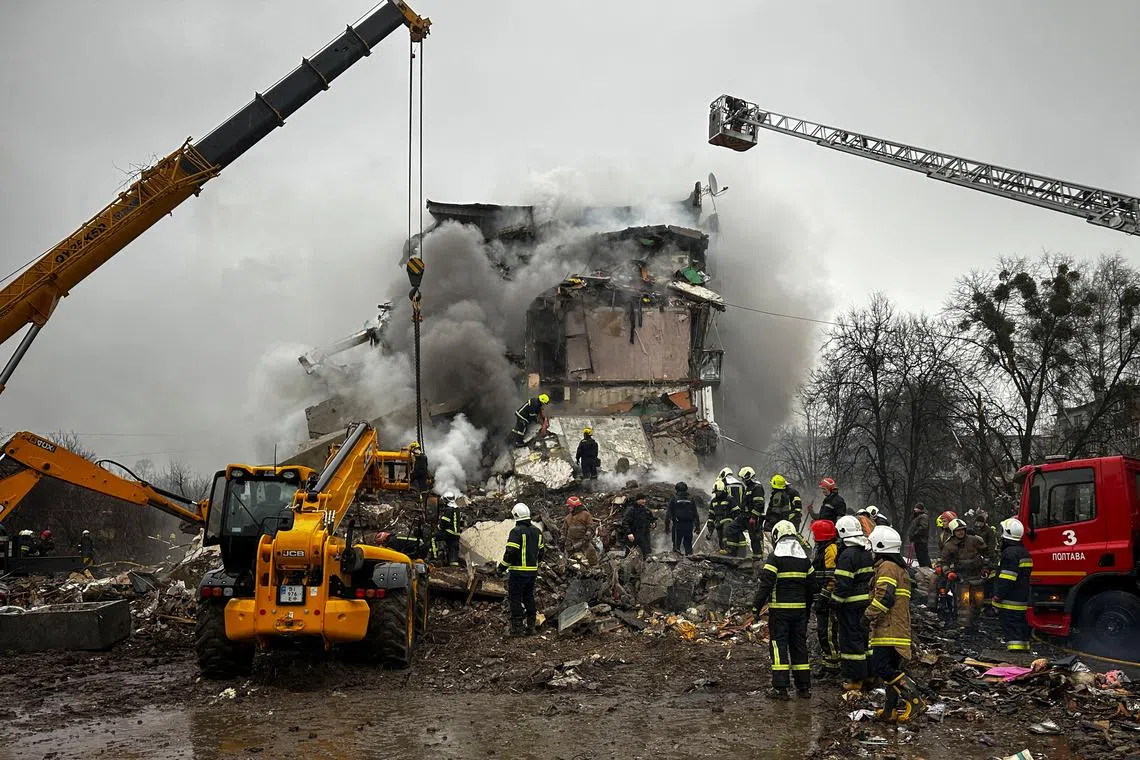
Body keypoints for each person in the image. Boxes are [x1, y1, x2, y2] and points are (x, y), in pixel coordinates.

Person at [866, 525, 925, 723]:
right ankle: (890, 710)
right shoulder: (899, 568)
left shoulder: (887, 567)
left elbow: (885, 597)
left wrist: (867, 615)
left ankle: (915, 699)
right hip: (897, 627)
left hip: (888, 628)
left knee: (881, 667)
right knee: (891, 669)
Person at [752, 520, 817, 700]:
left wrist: (755, 608)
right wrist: (807, 608)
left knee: (779, 647)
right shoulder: (804, 560)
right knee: (799, 647)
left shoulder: (775, 557)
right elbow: (813, 586)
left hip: (780, 613)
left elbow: (765, 585)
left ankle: (780, 689)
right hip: (800, 613)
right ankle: (803, 688)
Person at [832, 515, 875, 691]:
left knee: (851, 642)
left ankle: (855, 680)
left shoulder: (846, 556)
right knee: (866, 640)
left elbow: (843, 585)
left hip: (850, 605)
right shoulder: (866, 553)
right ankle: (870, 675)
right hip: (866, 602)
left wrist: (833, 602)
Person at [497, 503, 545, 636]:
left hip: (518, 572)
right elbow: (541, 553)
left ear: (516, 516)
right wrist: (535, 566)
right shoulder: (537, 531)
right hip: (532, 573)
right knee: (529, 597)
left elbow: (510, 552)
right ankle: (531, 627)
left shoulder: (516, 531)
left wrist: (501, 567)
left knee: (515, 598)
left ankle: (517, 629)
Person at [938, 518, 990, 629]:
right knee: (964, 604)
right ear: (953, 532)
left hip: (977, 577)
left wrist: (986, 567)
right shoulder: (949, 546)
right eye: (958, 530)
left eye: (962, 529)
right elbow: (943, 562)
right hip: (962, 579)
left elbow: (987, 553)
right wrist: (948, 573)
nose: (961, 532)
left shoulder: (974, 540)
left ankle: (973, 623)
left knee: (978, 602)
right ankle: (963, 627)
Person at [992, 517, 1033, 653]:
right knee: (1021, 624)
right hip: (1022, 597)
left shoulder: (1009, 553)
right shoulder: (1023, 551)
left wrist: (998, 595)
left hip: (1010, 599)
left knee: (1011, 625)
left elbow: (1007, 578)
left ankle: (1015, 655)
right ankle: (1024, 650)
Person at [810, 519, 840, 679]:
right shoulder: (823, 549)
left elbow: (832, 578)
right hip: (821, 597)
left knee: (827, 633)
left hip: (827, 599)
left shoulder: (831, 549)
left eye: (815, 534)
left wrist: (823, 597)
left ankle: (833, 667)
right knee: (823, 632)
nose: (813, 537)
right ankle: (828, 664)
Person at [665, 482, 698, 555]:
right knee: (688, 545)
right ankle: (689, 562)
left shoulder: (674, 498)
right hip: (689, 525)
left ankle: (676, 563)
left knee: (676, 546)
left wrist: (667, 526)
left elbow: (668, 513)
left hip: (677, 525)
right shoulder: (691, 499)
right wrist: (697, 526)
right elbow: (695, 513)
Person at [739, 467, 766, 554]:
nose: (743, 480)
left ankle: (758, 557)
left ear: (748, 477)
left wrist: (753, 517)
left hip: (754, 518)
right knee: (732, 528)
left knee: (755, 537)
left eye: (743, 478)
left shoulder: (757, 487)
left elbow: (759, 504)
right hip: (747, 516)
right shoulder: (749, 487)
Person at [563, 496, 597, 563]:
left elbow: (591, 527)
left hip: (584, 542)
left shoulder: (586, 515)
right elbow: (564, 530)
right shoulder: (568, 517)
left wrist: (587, 536)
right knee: (569, 561)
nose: (568, 508)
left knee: (591, 556)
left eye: (569, 506)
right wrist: (562, 538)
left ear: (574, 506)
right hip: (571, 544)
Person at [706, 480, 736, 552]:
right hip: (718, 522)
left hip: (728, 521)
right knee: (720, 538)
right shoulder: (714, 501)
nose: (717, 493)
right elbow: (711, 515)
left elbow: (736, 511)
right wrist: (710, 528)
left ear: (723, 490)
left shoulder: (730, 499)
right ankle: (723, 549)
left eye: (718, 492)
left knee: (726, 534)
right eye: (716, 492)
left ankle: (729, 549)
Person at [436, 492, 463, 566]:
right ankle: (453, 564)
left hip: (448, 532)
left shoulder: (448, 509)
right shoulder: (457, 510)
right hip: (456, 534)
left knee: (433, 537)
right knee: (453, 549)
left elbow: (445, 521)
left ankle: (435, 558)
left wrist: (439, 526)